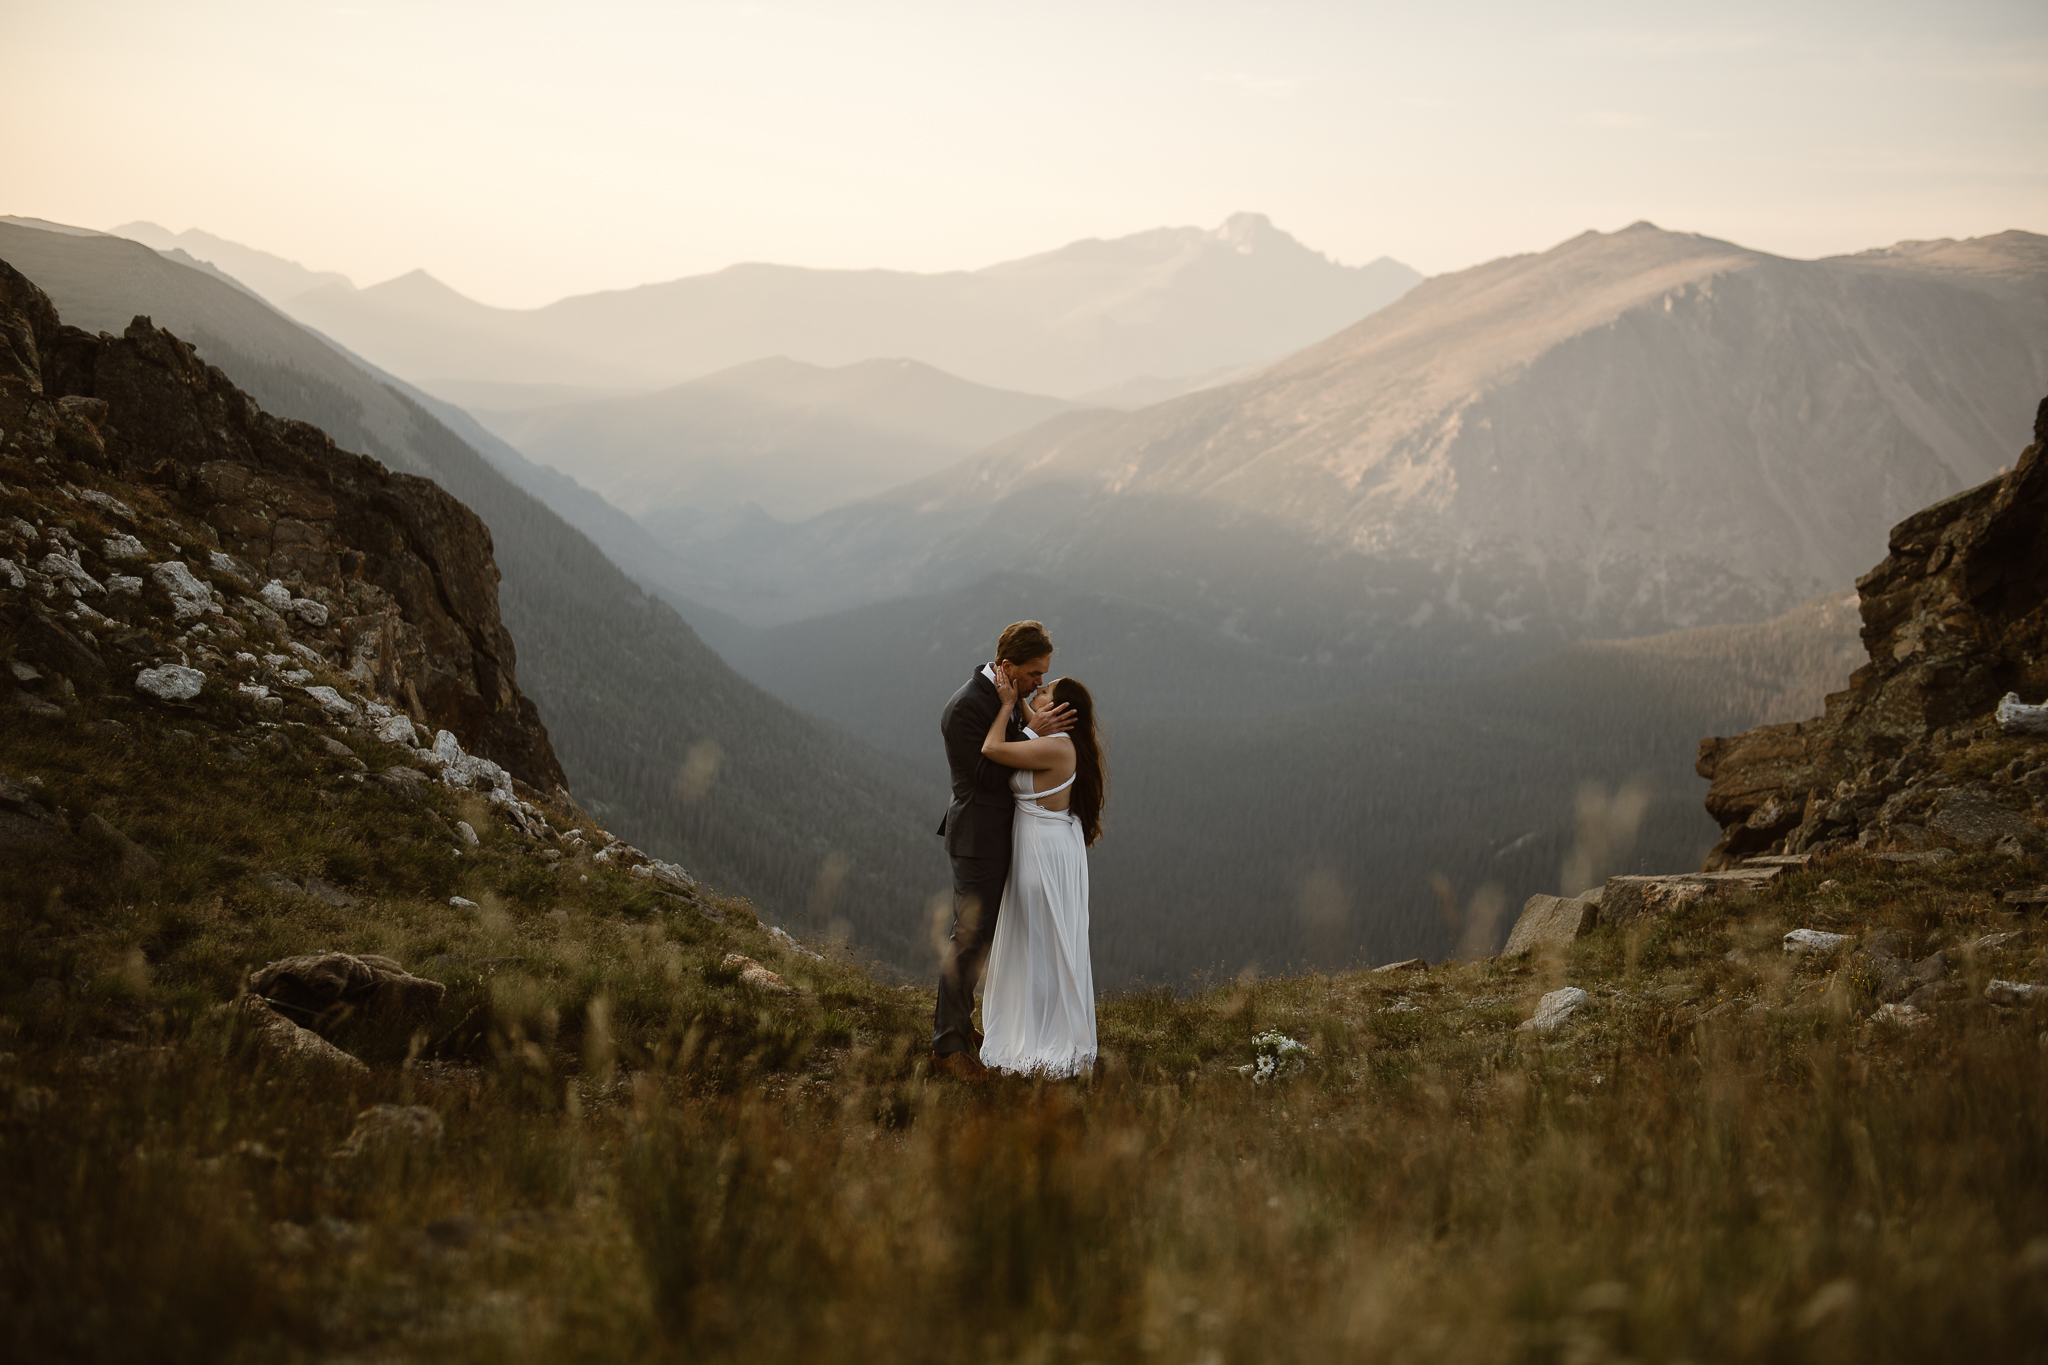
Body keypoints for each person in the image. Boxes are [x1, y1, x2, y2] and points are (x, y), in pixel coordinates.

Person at [930, 621, 1074, 1078]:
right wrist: (1033, 734)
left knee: (984, 937)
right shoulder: (967, 708)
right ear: (1008, 667)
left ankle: (959, 1024)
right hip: (977, 839)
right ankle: (947, 1049)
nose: (1039, 682)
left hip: (1001, 837)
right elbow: (989, 775)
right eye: (1035, 673)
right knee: (968, 939)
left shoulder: (1005, 698)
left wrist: (1028, 721)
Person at [975, 672, 1106, 1077]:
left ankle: (1038, 1038)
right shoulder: (1065, 743)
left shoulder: (1055, 748)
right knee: (1044, 939)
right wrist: (1021, 700)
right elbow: (1032, 725)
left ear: (1060, 709)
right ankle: (1038, 1027)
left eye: (1045, 692)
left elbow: (993, 747)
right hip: (1051, 846)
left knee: (1039, 941)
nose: (1039, 690)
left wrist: (1006, 707)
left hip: (1041, 855)